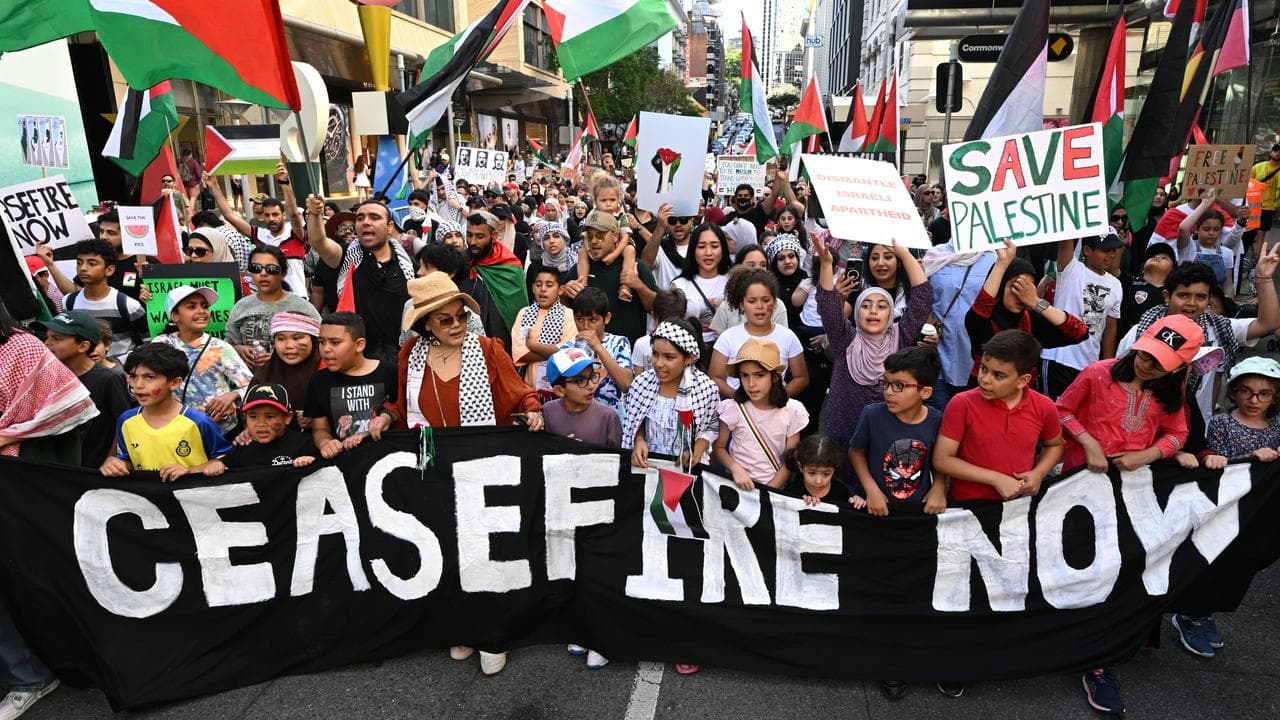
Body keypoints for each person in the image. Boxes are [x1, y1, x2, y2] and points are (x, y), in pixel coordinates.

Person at [1055, 315, 1205, 716]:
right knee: (1076, 565)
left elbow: (1177, 434)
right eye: (1145, 353)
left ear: (1178, 368)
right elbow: (1062, 411)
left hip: (1133, 493)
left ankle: (1099, 657)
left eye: (1158, 362)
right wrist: (1086, 441)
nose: (1146, 364)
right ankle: (1067, 640)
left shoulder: (1172, 395)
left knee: (1116, 569)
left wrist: (1148, 454)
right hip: (1078, 488)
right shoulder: (1098, 372)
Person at [1180, 356, 1280, 659]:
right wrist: (1252, 456)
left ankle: (1207, 613)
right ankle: (1189, 614)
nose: (1254, 400)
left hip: (1259, 513)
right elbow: (1217, 464)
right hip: (1225, 510)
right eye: (1246, 391)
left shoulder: (1277, 425)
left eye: (1264, 394)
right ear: (1233, 392)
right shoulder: (1223, 423)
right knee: (1212, 563)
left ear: (1274, 397)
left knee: (1241, 566)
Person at [1120, 251, 1280, 429]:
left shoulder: (1217, 327)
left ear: (1209, 299)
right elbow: (1119, 376)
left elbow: (1269, 323)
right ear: (1167, 296)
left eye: (1201, 297)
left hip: (1194, 425)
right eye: (1183, 295)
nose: (1192, 303)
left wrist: (1263, 279)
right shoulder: (1142, 331)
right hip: (1142, 423)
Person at [816, 237, 932, 462]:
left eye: (881, 306)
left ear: (891, 314)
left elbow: (922, 299)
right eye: (866, 306)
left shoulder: (902, 338)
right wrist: (825, 264)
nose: (873, 312)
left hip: (884, 433)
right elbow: (829, 308)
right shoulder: (845, 340)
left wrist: (905, 255)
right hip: (843, 429)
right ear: (857, 312)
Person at [392, 272, 542, 432]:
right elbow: (402, 408)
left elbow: (521, 395)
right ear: (426, 324)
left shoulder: (489, 350)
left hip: (481, 453)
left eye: (462, 316)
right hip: (432, 453)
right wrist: (387, 417)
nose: (457, 324)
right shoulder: (411, 354)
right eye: (446, 320)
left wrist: (533, 412)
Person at [934, 330, 1064, 505]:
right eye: (983, 369)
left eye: (998, 375)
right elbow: (942, 459)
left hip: (1018, 508)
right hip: (968, 508)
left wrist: (1038, 473)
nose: (985, 380)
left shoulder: (1044, 407)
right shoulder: (962, 404)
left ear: (1023, 380)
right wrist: (995, 478)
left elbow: (1055, 445)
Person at [306, 195, 414, 368]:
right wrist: (314, 213)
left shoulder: (408, 265)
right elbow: (319, 241)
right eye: (360, 218)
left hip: (403, 359)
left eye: (374, 217)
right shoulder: (346, 257)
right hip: (357, 362)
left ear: (390, 227)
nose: (365, 222)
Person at [100, 343, 233, 479]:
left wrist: (189, 470)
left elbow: (223, 460)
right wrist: (115, 463)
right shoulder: (126, 421)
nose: (138, 385)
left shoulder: (199, 422)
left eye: (149, 377)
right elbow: (127, 459)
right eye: (133, 377)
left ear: (175, 383)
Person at [965, 240, 1088, 388]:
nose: (1021, 295)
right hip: (983, 396)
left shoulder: (1030, 321)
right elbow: (979, 310)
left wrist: (1036, 301)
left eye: (1027, 288)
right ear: (1001, 286)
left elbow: (1079, 332)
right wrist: (1002, 264)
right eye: (1015, 287)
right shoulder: (983, 321)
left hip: (1023, 402)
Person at [849, 346, 946, 519]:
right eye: (886, 383)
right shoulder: (872, 415)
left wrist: (939, 488)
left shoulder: (938, 421)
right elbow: (856, 452)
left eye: (899, 386)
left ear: (925, 392)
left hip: (917, 511)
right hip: (873, 507)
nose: (888, 391)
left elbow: (940, 461)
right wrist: (871, 490)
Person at [36, 311, 133, 468]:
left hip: (94, 469)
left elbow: (123, 422)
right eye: (47, 337)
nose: (47, 343)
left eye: (57, 338)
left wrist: (112, 459)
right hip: (57, 466)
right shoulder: (45, 376)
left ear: (83, 346)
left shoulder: (108, 378)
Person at [624, 319, 720, 476]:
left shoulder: (706, 389)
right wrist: (639, 440)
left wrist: (698, 447)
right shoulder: (641, 384)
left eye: (669, 357)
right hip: (647, 469)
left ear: (688, 358)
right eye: (655, 354)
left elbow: (712, 426)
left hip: (687, 472)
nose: (659, 363)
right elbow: (634, 422)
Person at [154, 286, 254, 434]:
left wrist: (233, 395)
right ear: (174, 315)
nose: (201, 311)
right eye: (191, 306)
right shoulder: (161, 345)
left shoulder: (220, 348)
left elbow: (252, 386)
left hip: (219, 431)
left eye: (205, 306)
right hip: (174, 430)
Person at [712, 338, 808, 490]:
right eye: (744, 375)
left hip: (773, 490)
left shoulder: (792, 410)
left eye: (759, 375)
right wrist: (736, 469)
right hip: (736, 487)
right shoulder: (732, 408)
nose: (751, 384)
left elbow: (790, 459)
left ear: (775, 376)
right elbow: (719, 448)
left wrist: (768, 490)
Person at [304, 313, 399, 460]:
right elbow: (320, 428)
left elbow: (400, 413)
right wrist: (325, 443)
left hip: (387, 458)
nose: (326, 349)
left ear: (359, 344)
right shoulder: (319, 380)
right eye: (321, 342)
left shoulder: (390, 372)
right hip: (344, 463)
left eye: (335, 342)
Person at [1041, 233, 1125, 398]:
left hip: (1088, 364)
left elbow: (1110, 327)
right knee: (1053, 416)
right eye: (1105, 250)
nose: (1111, 255)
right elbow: (1065, 241)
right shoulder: (1071, 269)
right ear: (1086, 250)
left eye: (1114, 250)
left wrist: (1106, 365)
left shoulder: (1116, 285)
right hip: (1059, 359)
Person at [564, 210, 658, 344]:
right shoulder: (580, 268)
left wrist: (638, 285)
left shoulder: (635, 266)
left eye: (600, 236)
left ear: (615, 236)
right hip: (589, 353)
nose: (594, 241)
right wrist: (566, 292)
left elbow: (655, 307)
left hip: (626, 355)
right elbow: (565, 307)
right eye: (589, 236)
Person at [226, 246, 322, 369]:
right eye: (256, 268)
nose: (263, 274)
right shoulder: (241, 306)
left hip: (291, 378)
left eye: (271, 269)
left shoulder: (302, 307)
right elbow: (228, 344)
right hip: (251, 381)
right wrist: (238, 349)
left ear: (283, 273)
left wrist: (284, 355)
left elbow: (321, 343)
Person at [63, 239, 149, 361]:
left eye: (92, 264)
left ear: (109, 270)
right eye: (79, 263)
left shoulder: (127, 305)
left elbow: (147, 343)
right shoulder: (68, 302)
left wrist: (122, 364)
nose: (83, 268)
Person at [203, 384, 318, 471]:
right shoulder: (242, 448)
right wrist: (217, 466)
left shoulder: (305, 443)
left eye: (270, 416)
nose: (261, 423)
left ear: (287, 418)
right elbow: (225, 467)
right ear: (245, 418)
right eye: (253, 417)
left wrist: (311, 463)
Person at [512, 267, 578, 399]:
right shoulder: (524, 314)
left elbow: (567, 353)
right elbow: (519, 355)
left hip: (558, 390)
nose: (543, 289)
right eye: (538, 284)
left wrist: (533, 345)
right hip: (529, 390)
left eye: (549, 285)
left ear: (560, 290)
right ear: (532, 288)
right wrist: (552, 352)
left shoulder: (568, 315)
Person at [564, 287, 632, 415]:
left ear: (607, 318)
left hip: (613, 418)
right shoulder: (568, 348)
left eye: (593, 320)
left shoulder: (619, 343)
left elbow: (626, 384)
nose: (585, 326)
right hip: (579, 418)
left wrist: (598, 348)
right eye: (579, 319)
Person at [251, 311, 323, 428]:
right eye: (281, 339)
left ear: (313, 340)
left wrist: (319, 421)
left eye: (297, 338)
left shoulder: (327, 372)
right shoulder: (264, 375)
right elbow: (250, 417)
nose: (289, 345)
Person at [543, 347, 622, 448]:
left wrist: (585, 453)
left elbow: (618, 459)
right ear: (560, 390)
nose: (591, 386)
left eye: (592, 376)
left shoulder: (608, 417)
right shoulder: (547, 412)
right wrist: (560, 448)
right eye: (580, 381)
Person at [1176, 189, 1245, 296]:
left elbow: (1228, 284)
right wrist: (1204, 204)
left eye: (1216, 229)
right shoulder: (1189, 247)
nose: (1211, 233)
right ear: (1196, 229)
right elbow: (1183, 228)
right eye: (1206, 229)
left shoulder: (1226, 253)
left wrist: (1228, 306)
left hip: (1215, 305)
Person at [671, 223, 731, 343]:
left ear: (723, 249)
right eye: (701, 246)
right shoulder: (679, 285)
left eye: (714, 246)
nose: (708, 252)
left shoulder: (734, 281)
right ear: (693, 250)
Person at [1119, 242, 1177, 339]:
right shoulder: (1128, 281)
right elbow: (1113, 266)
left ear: (1173, 269)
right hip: (1121, 344)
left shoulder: (1174, 295)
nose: (1157, 257)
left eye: (1164, 258)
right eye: (1153, 256)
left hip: (1152, 345)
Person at [777, 434, 847, 506]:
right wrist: (802, 503)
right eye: (812, 473)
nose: (818, 481)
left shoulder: (841, 492)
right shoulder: (792, 491)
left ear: (834, 470)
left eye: (826, 474)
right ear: (800, 467)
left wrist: (856, 504)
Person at [641, 202, 695, 289]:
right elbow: (645, 264)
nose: (678, 224)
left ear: (691, 221)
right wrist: (660, 226)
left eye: (683, 220)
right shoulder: (660, 248)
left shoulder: (700, 247)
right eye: (672, 221)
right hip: (668, 301)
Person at [632, 289, 687, 375]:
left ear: (653, 316)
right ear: (684, 317)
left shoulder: (641, 343)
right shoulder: (688, 342)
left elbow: (637, 378)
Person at [766, 234, 807, 328]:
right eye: (781, 259)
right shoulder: (768, 283)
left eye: (791, 256)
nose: (787, 261)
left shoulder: (805, 278)